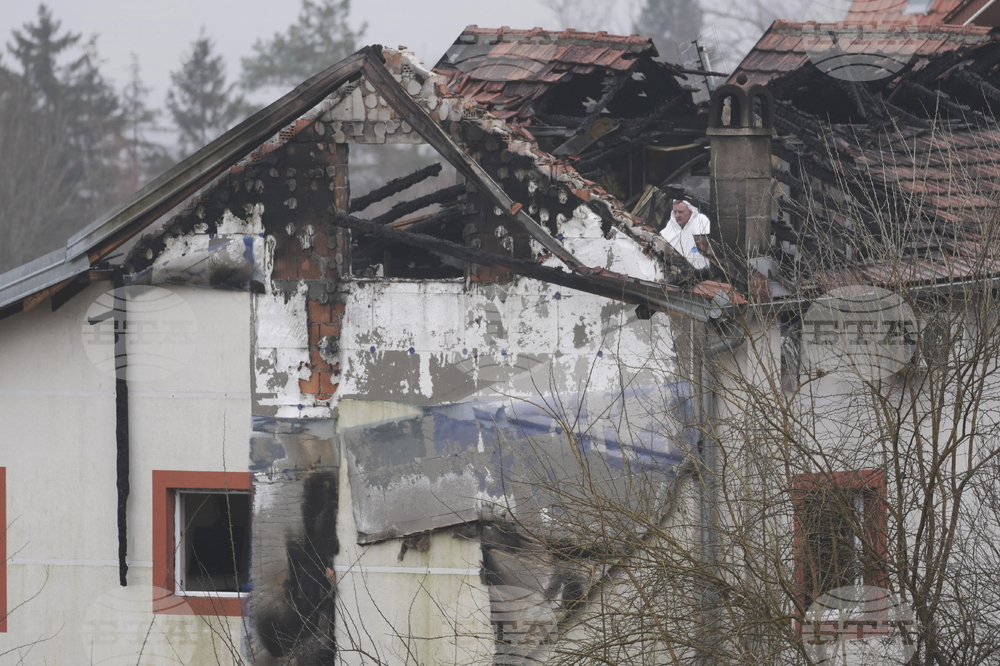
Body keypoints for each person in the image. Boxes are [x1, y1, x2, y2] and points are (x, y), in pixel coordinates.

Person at [660, 199, 712, 272]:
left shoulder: (701, 221)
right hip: (675, 272)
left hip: (701, 274)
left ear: (690, 210)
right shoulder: (671, 225)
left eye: (681, 212)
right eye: (675, 212)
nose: (677, 215)